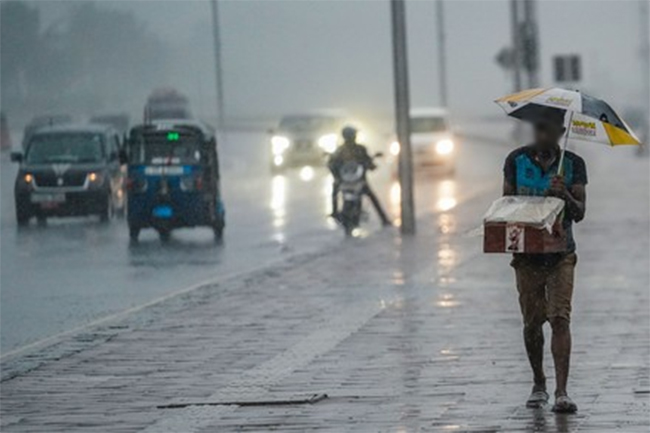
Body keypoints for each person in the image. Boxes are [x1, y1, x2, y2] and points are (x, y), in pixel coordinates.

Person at [502, 107, 587, 414]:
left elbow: (580, 212)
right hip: (526, 257)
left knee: (560, 318)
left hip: (561, 253)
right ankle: (539, 382)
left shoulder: (574, 165)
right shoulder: (516, 161)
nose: (541, 135)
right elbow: (506, 204)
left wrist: (564, 194)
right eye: (537, 128)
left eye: (549, 129)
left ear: (560, 133)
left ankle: (561, 391)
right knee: (532, 323)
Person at [328, 126, 391, 226]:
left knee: (372, 196)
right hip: (345, 180)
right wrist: (337, 176)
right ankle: (335, 212)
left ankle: (384, 219)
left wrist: (370, 165)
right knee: (335, 192)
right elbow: (331, 164)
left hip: (358, 179)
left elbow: (368, 162)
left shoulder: (357, 149)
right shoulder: (343, 150)